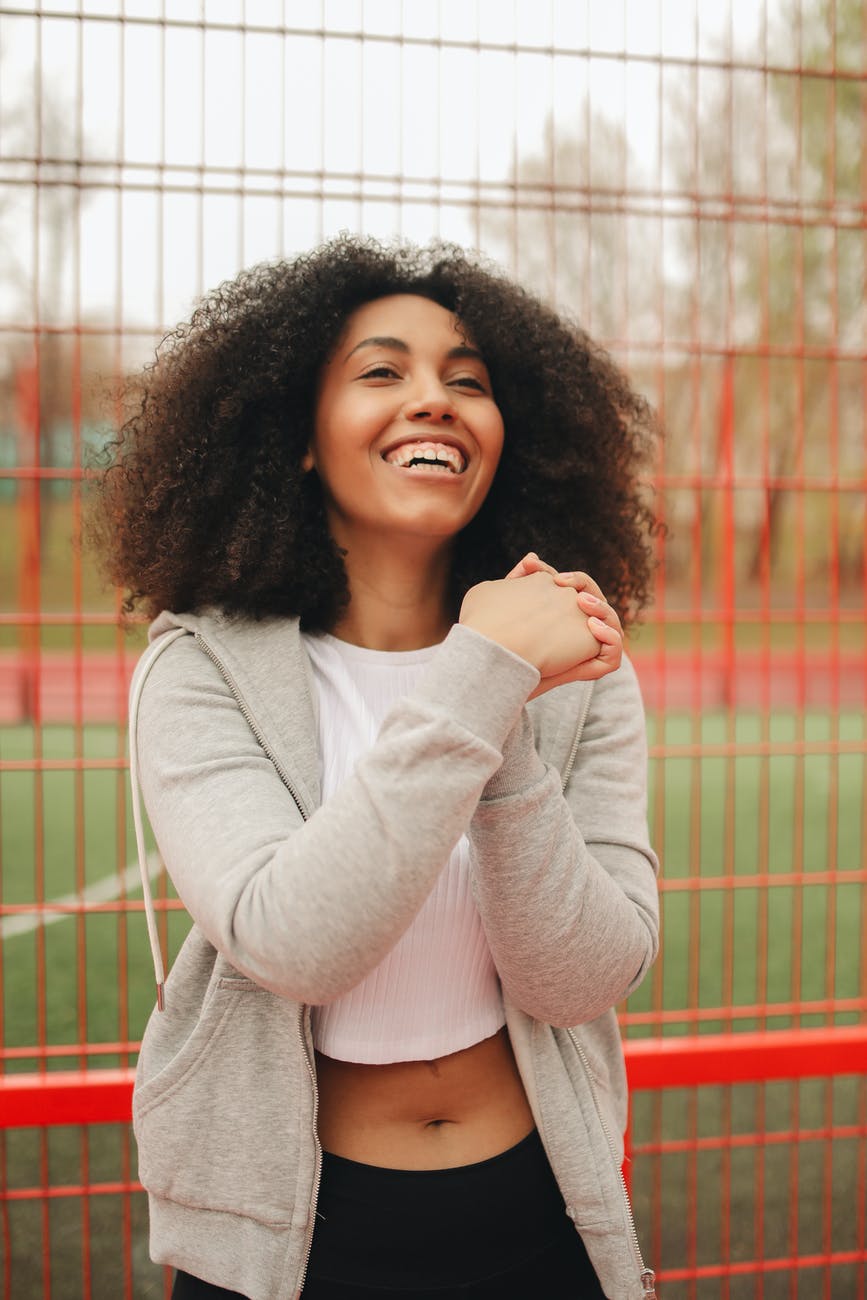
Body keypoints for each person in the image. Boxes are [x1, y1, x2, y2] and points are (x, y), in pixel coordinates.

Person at [91, 234, 661, 1300]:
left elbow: (583, 974)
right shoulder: (201, 663)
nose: (435, 399)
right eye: (383, 371)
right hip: (293, 1242)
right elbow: (294, 939)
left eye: (469, 381)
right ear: (299, 438)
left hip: (538, 1213)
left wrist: (503, 694)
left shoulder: (578, 665)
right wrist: (482, 672)